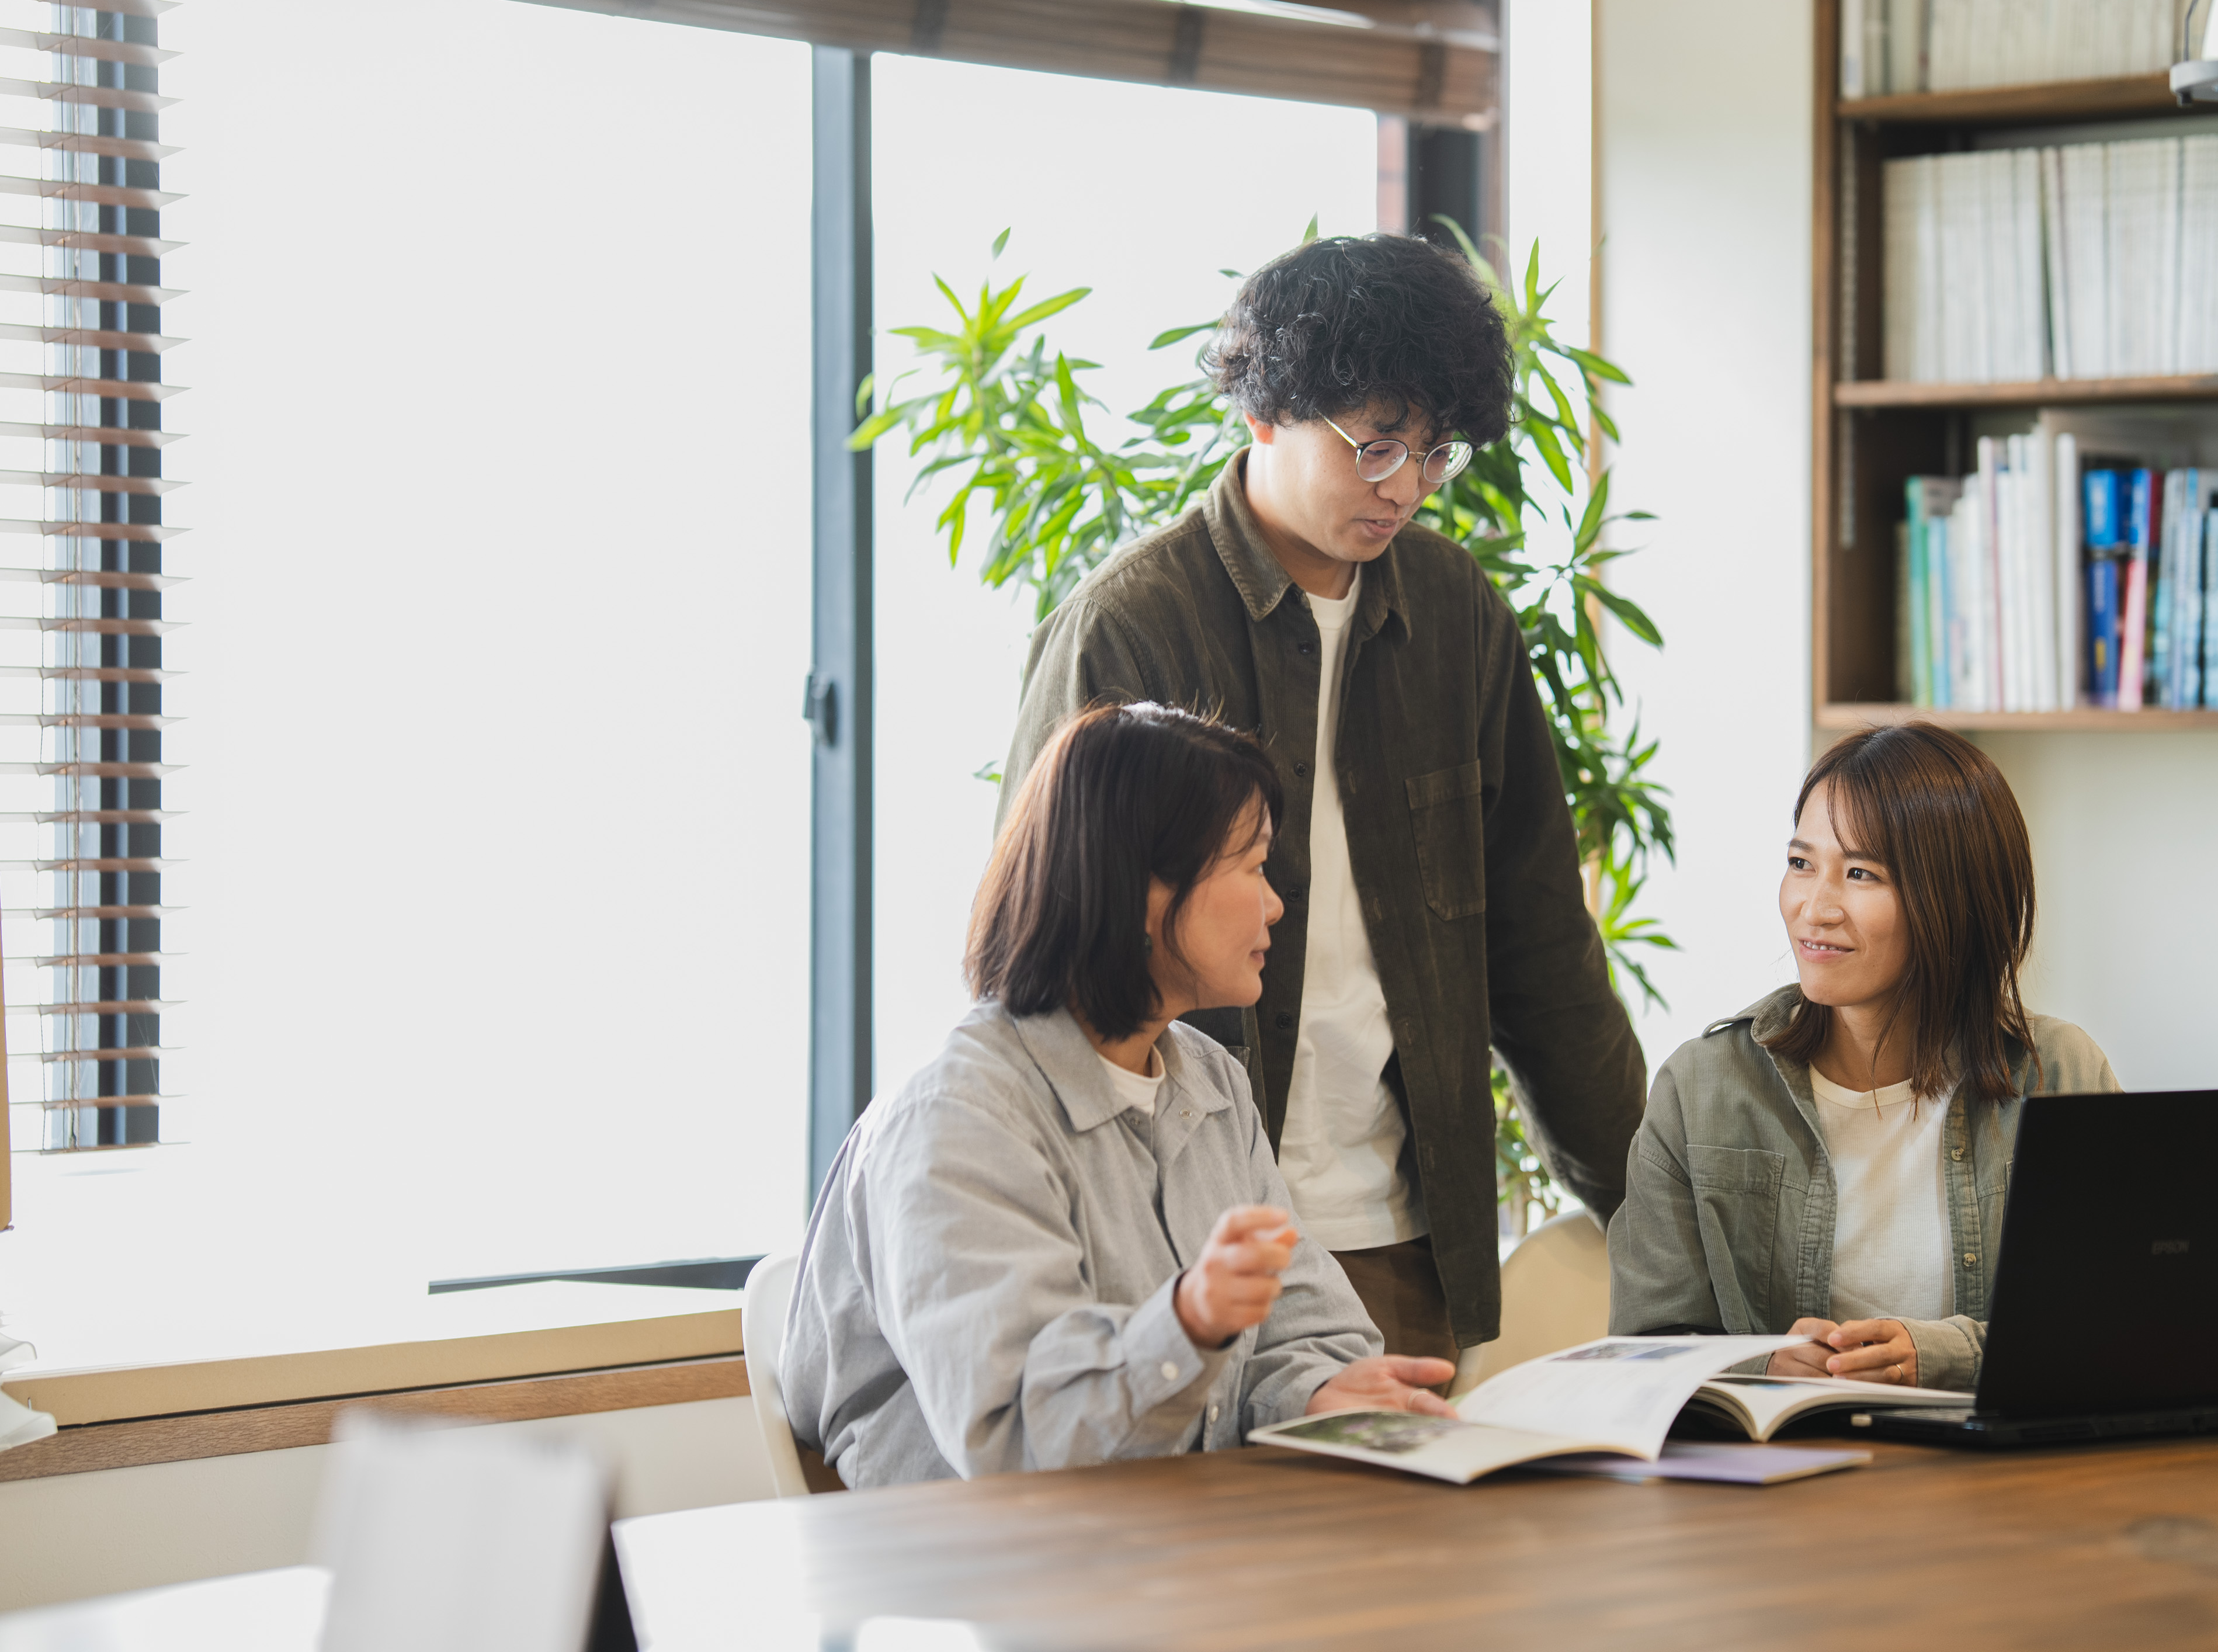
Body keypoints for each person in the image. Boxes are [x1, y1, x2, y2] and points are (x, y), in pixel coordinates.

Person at [1000, 234, 1647, 1367]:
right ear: (1261, 413)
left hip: (1403, 1244)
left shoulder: (1460, 621)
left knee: (1421, 1548)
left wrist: (1660, 1223)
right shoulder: (1131, 625)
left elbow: (1540, 947)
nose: (1407, 485)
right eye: (1375, 446)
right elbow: (1045, 969)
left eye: (1435, 451)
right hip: (1175, 1248)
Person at [784, 702, 1458, 1488]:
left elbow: (1311, 1330)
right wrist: (1187, 1325)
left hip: (1172, 1557)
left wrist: (1316, 1390)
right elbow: (1020, 1449)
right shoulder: (956, 1122)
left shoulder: (1213, 1085)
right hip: (977, 1582)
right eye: (1252, 866)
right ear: (1143, 888)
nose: (1275, 904)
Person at [1606, 723, 2119, 1390]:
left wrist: (1939, 1356)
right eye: (1800, 864)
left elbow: (2110, 1325)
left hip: (2003, 1483)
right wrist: (1763, 1364)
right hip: (1780, 1482)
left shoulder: (2059, 1074)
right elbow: (1643, 1352)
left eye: (1859, 873)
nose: (1813, 908)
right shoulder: (1701, 1089)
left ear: (1952, 897)